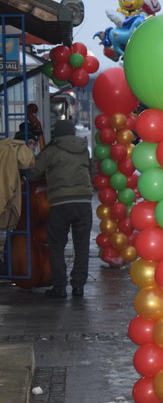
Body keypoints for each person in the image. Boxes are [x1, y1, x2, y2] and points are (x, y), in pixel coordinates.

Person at [29, 120, 92, 298]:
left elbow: (34, 174)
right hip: (83, 201)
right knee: (82, 246)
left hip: (60, 203)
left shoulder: (51, 151)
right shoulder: (83, 149)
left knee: (56, 246)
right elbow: (90, 171)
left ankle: (60, 287)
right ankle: (78, 286)